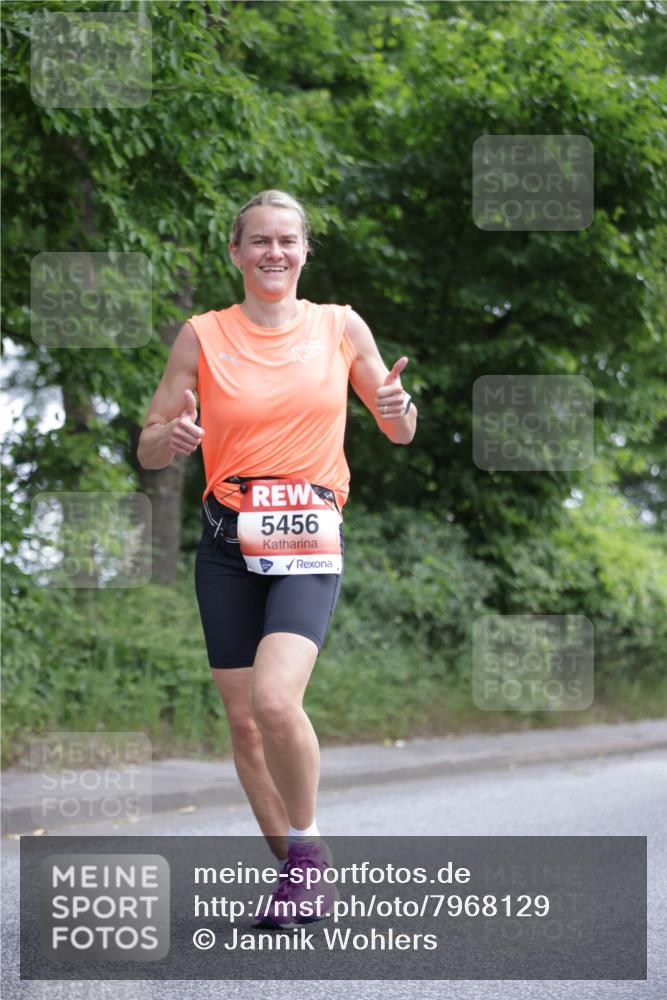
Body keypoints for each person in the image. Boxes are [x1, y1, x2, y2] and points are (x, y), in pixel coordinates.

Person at [137, 190, 417, 926]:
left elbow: (399, 428)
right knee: (243, 722)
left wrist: (395, 408)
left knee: (273, 699)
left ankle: (307, 848)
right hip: (226, 539)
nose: (274, 253)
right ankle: (301, 875)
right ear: (235, 253)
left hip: (306, 535)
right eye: (258, 241)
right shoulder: (201, 335)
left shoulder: (337, 325)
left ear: (303, 252)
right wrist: (168, 441)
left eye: (286, 241)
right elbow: (150, 437)